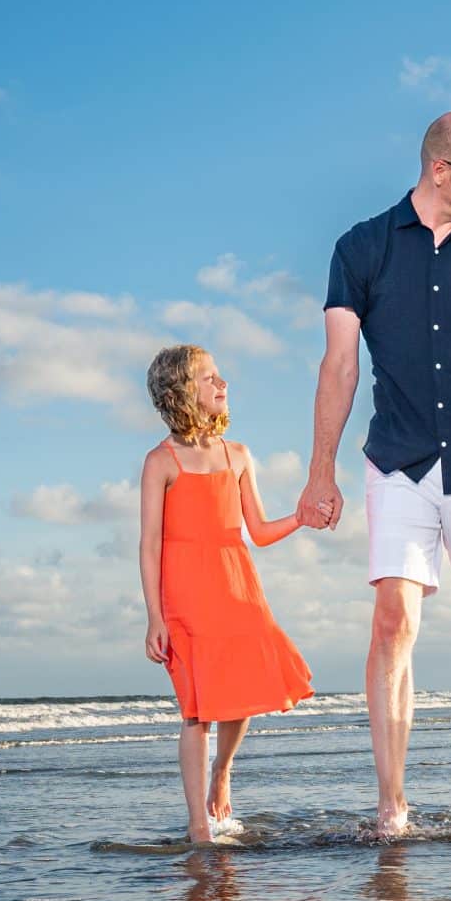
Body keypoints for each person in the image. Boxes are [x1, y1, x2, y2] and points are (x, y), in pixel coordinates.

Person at [298, 112, 451, 837]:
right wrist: (321, 472)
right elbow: (339, 364)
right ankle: (391, 804)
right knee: (393, 620)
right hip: (399, 461)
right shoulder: (361, 247)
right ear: (442, 171)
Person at [139, 344, 314, 845]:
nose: (223, 384)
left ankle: (223, 771)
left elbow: (256, 530)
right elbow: (149, 544)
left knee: (239, 688)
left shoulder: (237, 455)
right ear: (182, 391)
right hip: (185, 594)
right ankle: (199, 824)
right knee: (196, 708)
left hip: (237, 586)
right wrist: (155, 616)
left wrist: (300, 517)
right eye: (211, 377)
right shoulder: (160, 462)